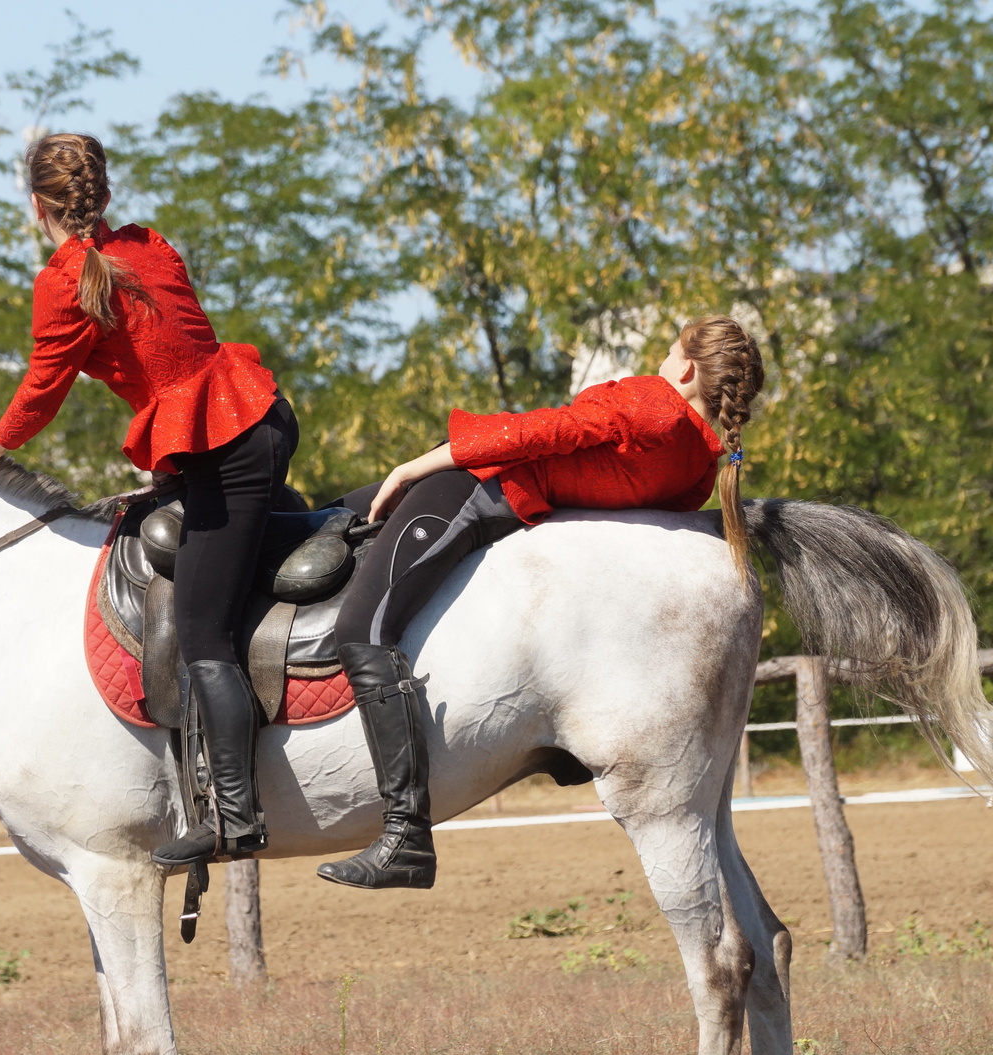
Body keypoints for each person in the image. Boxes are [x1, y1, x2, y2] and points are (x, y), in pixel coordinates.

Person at [316, 316, 766, 890]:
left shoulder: (656, 403)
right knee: (329, 521)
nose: (661, 360)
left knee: (361, 629)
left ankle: (405, 833)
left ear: (685, 368)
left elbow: (549, 430)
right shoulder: (700, 466)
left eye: (668, 351)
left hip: (470, 490)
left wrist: (417, 465)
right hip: (500, 505)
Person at [0, 133, 299, 866]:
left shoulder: (64, 281)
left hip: (226, 448)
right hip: (259, 416)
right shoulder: (149, 245)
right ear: (105, 197)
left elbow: (41, 389)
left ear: (36, 207)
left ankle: (234, 820)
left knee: (203, 629)